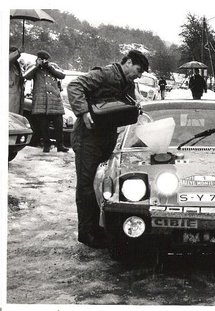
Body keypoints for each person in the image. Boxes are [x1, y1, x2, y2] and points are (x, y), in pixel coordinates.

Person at [67, 50, 149, 248]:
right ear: (128, 62)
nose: (138, 76)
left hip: (107, 137)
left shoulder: (128, 83)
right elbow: (74, 86)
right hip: (88, 138)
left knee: (103, 184)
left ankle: (100, 228)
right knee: (87, 186)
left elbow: (130, 104)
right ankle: (87, 233)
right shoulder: (103, 75)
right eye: (138, 71)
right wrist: (83, 112)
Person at [24, 50, 69, 153]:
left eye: (45, 60)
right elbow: (26, 76)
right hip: (41, 102)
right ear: (38, 59)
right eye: (42, 59)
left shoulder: (52, 66)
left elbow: (62, 75)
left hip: (55, 101)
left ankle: (60, 145)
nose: (44, 61)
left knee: (59, 124)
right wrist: (36, 66)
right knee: (43, 126)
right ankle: (46, 145)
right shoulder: (34, 67)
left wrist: (50, 67)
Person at [9, 47, 24, 115]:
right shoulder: (8, 62)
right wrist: (18, 52)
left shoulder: (16, 64)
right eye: (13, 52)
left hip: (17, 92)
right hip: (10, 92)